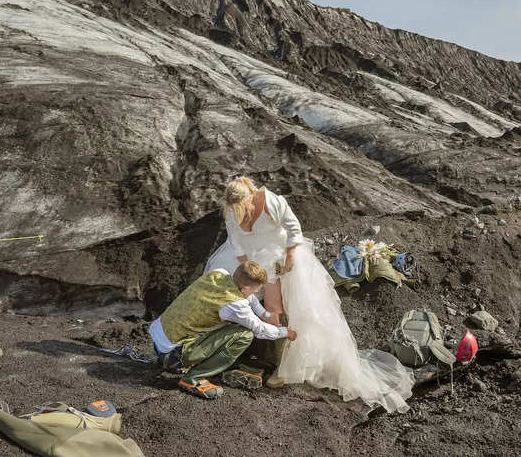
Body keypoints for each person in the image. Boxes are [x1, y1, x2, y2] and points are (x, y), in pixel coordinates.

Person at [205, 177, 414, 413]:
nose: (236, 213)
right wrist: (248, 267)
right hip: (252, 258)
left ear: (250, 198)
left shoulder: (272, 202)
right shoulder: (232, 209)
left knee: (281, 308)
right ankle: (225, 348)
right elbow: (236, 242)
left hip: (280, 255)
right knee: (232, 294)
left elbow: (294, 228)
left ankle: (279, 364)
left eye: (240, 209)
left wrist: (290, 257)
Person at [149, 260, 296, 399]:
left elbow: (248, 297)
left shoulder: (219, 273)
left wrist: (265, 314)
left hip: (158, 343)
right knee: (245, 334)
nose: (255, 293)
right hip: (173, 356)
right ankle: (194, 378)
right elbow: (260, 330)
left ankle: (205, 362)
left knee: (227, 323)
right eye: (255, 290)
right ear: (244, 288)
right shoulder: (235, 305)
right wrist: (286, 332)